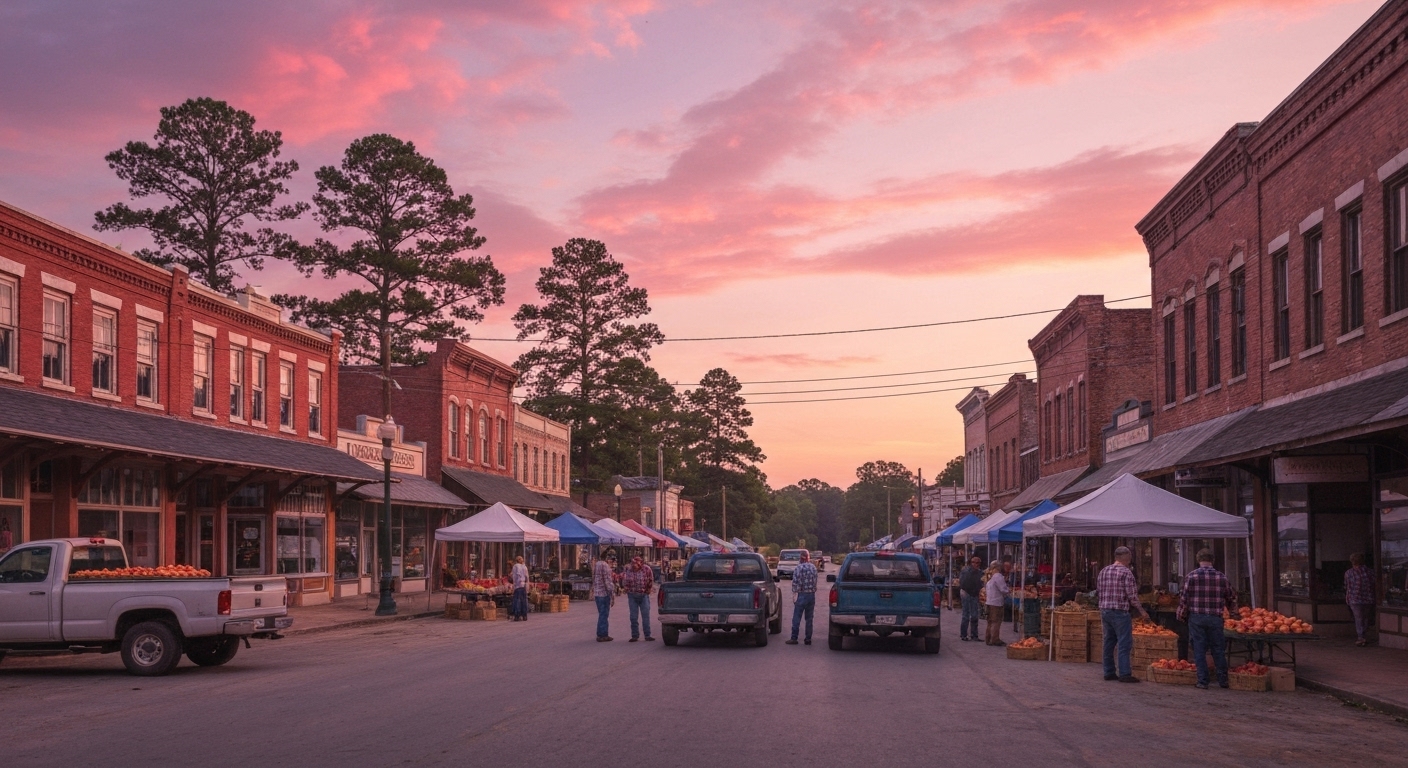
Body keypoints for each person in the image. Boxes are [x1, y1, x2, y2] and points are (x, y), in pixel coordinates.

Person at [1177, 549, 1236, 689]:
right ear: (1212, 560)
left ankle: (1203, 681)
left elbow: (1184, 599)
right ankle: (1223, 680)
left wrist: (1181, 615)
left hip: (1197, 617)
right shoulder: (1222, 577)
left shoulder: (1191, 576)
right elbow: (1231, 597)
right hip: (1215, 617)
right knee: (1218, 648)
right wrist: (1233, 612)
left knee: (1199, 649)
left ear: (1198, 560)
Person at [1099, 546, 1149, 683]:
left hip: (1105, 610)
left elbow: (1099, 591)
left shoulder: (1104, 571)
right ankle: (1124, 673)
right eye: (1130, 557)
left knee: (1108, 642)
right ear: (1126, 557)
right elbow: (1132, 596)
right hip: (1120, 612)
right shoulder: (1126, 573)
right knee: (1124, 642)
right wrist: (1142, 611)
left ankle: (1108, 672)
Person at [786, 550, 818, 645]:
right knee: (809, 618)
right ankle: (808, 638)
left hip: (801, 594)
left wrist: (795, 593)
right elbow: (815, 581)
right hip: (811, 595)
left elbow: (795, 583)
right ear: (808, 557)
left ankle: (794, 638)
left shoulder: (798, 568)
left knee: (797, 617)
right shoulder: (813, 568)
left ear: (801, 557)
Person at [622, 556, 655, 642]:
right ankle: (634, 635)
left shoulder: (647, 569)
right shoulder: (629, 570)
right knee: (633, 616)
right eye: (632, 564)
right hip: (632, 595)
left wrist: (648, 589)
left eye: (635, 564)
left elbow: (651, 580)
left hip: (643, 595)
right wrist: (626, 588)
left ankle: (647, 635)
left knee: (645, 616)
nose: (633, 566)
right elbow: (625, 581)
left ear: (640, 564)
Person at [1345, 553, 1375, 647]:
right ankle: (1363, 635)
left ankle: (1361, 637)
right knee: (1365, 618)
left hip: (1354, 598)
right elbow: (1374, 584)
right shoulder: (1369, 572)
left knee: (1358, 618)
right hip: (1368, 598)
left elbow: (1347, 586)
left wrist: (1348, 597)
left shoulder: (1349, 573)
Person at [984, 561, 1010, 646]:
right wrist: (1008, 591)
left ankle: (988, 638)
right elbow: (1003, 589)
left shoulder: (990, 578)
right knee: (996, 621)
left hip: (989, 601)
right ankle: (995, 639)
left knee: (990, 621)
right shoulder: (998, 577)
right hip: (996, 602)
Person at [958, 555, 983, 641]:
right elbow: (962, 583)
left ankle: (974, 635)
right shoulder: (966, 571)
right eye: (974, 562)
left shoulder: (980, 572)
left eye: (978, 563)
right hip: (967, 593)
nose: (976, 564)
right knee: (966, 615)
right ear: (971, 563)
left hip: (974, 594)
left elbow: (981, 582)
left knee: (975, 615)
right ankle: (963, 634)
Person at [593, 554, 617, 642]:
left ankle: (601, 633)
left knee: (601, 614)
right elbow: (608, 582)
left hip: (597, 593)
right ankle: (602, 635)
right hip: (603, 593)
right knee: (604, 614)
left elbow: (594, 577)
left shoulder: (597, 564)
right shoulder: (605, 566)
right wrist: (612, 595)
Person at [510, 556, 530, 622]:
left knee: (517, 600)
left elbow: (515, 576)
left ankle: (517, 615)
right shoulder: (524, 567)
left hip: (518, 586)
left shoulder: (516, 566)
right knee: (524, 600)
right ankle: (524, 615)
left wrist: (514, 584)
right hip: (523, 585)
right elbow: (527, 577)